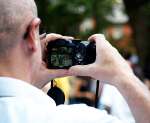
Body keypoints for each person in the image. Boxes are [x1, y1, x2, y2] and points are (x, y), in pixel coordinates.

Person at [0, 0, 150, 123]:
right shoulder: (81, 119)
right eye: (40, 34)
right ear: (33, 33)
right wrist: (123, 75)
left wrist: (29, 78)